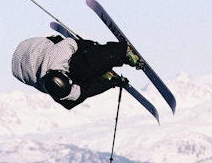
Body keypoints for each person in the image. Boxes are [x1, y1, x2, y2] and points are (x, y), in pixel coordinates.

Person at [11, 32, 143, 111]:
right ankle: (100, 76)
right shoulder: (62, 93)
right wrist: (109, 83)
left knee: (85, 61)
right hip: (23, 68)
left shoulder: (60, 53)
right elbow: (83, 91)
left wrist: (99, 50)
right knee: (69, 102)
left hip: (34, 46)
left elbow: (72, 43)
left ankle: (124, 52)